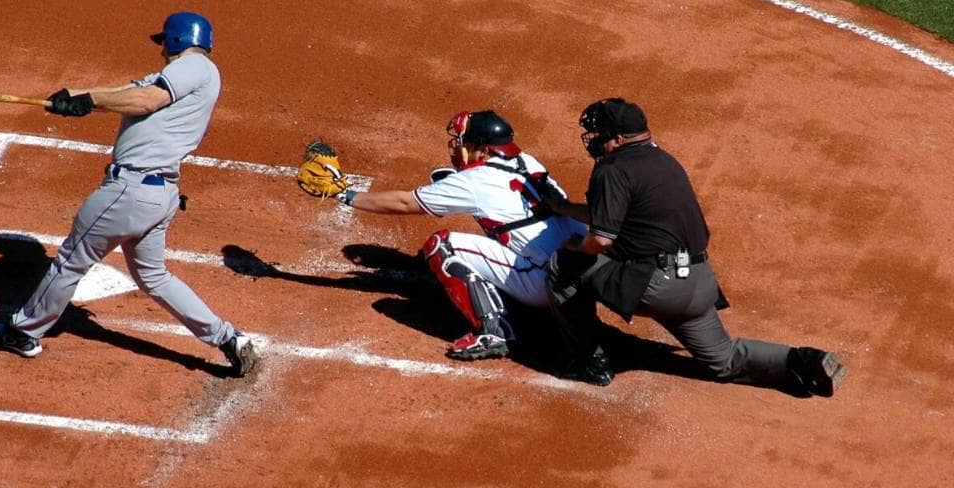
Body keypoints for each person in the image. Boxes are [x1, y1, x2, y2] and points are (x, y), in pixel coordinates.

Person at [0, 11, 257, 377]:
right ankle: (228, 339)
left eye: (164, 41)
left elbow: (145, 101)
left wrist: (88, 99)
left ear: (178, 40)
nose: (162, 50)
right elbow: (130, 97)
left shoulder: (193, 66)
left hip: (129, 191)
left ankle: (23, 331)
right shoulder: (183, 78)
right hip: (157, 195)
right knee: (154, 277)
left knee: (71, 260)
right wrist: (81, 99)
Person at [544, 96, 846, 396]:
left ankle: (589, 361)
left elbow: (602, 238)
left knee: (564, 266)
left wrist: (578, 247)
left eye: (601, 135)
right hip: (698, 283)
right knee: (723, 360)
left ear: (618, 138)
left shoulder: (612, 169)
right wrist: (565, 208)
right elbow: (615, 217)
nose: (597, 141)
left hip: (656, 287)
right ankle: (807, 360)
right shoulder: (665, 161)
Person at [330, 110, 587, 360]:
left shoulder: (472, 181)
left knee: (442, 247)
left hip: (546, 285)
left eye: (466, 143)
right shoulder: (528, 162)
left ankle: (496, 332)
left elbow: (404, 203)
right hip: (586, 270)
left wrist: (344, 195)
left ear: (484, 150)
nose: (458, 148)